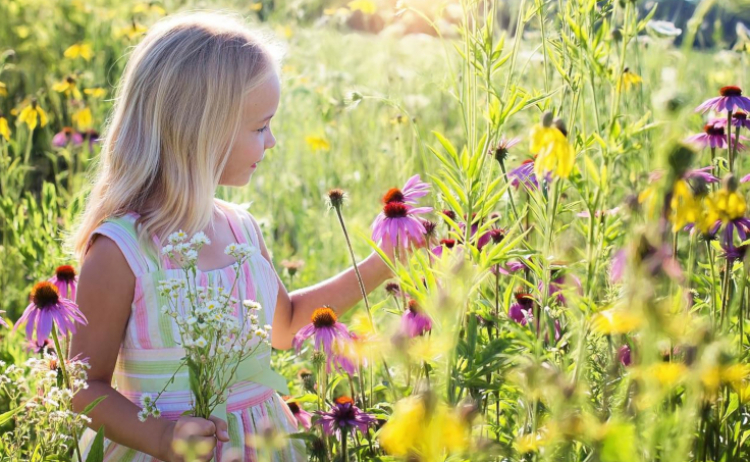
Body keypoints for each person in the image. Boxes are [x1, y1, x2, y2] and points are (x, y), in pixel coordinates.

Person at [68, 11, 401, 462]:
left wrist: (382, 263)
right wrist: (162, 439)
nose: (273, 141)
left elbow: (284, 327)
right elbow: (84, 389)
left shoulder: (240, 228)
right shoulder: (122, 251)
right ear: (200, 132)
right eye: (260, 127)